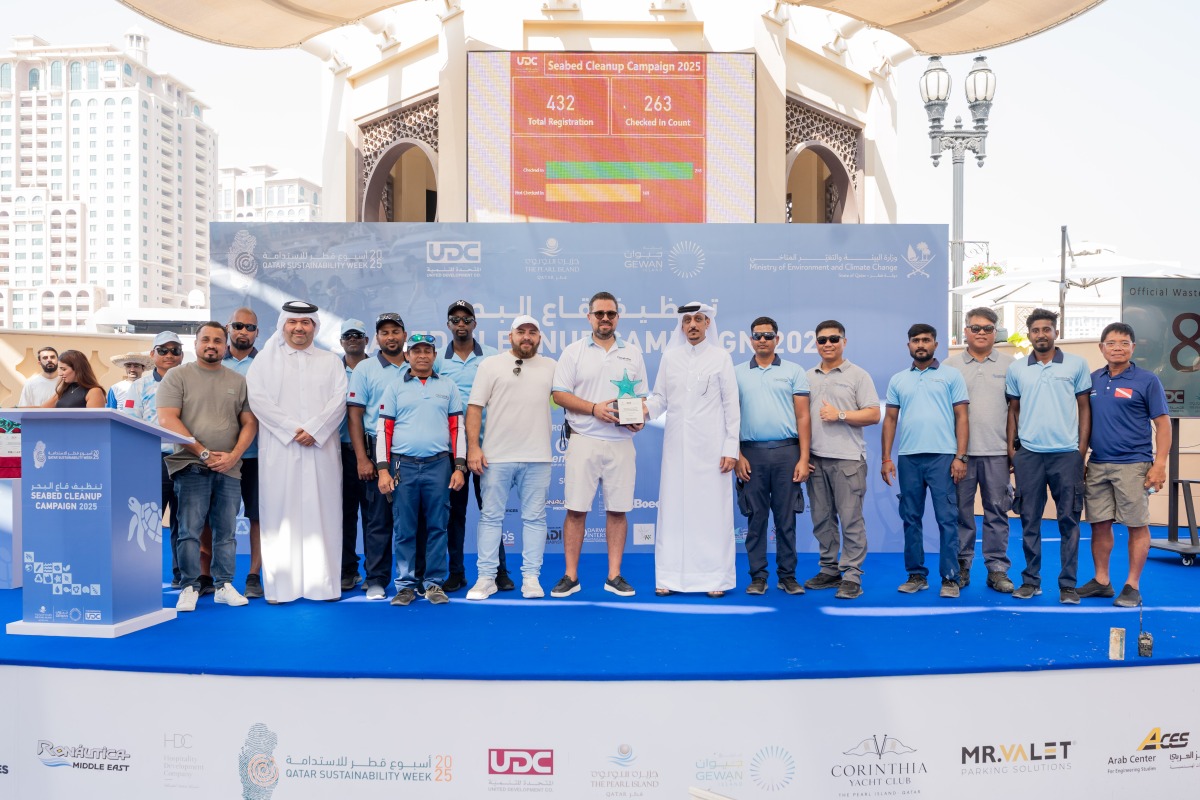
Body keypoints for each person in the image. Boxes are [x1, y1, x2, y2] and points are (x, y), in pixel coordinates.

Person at [246, 301, 349, 603]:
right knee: (280, 514)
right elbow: (258, 400)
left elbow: (339, 400)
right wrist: (293, 429)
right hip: (281, 450)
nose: (299, 328)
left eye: (305, 323)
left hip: (321, 450)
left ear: (315, 327)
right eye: (293, 322)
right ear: (283, 325)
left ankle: (322, 585)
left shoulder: (331, 361)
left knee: (323, 513)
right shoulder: (264, 362)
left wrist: (315, 429)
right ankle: (282, 587)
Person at [550, 291, 648, 598]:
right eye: (599, 313)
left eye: (611, 313)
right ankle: (571, 576)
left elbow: (642, 398)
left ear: (617, 317)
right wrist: (594, 409)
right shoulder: (574, 352)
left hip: (621, 442)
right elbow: (559, 395)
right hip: (584, 440)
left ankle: (614, 576)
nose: (605, 318)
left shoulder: (633, 353)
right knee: (576, 510)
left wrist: (639, 418)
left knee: (618, 511)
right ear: (589, 317)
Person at [157, 322, 258, 612]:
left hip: (229, 468)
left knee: (226, 532)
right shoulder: (177, 376)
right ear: (196, 344)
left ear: (225, 346)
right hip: (190, 466)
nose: (211, 345)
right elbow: (167, 419)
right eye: (206, 340)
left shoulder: (238, 381)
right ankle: (189, 586)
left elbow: (249, 422)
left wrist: (234, 456)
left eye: (217, 340)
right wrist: (202, 452)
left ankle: (224, 585)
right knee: (189, 530)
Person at [645, 302, 740, 597]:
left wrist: (731, 447)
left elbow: (731, 406)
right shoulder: (670, 357)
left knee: (712, 512)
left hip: (712, 449)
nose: (692, 325)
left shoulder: (721, 357)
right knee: (673, 510)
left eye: (698, 319)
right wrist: (639, 412)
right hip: (676, 448)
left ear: (708, 323)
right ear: (682, 325)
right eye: (687, 320)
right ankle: (669, 577)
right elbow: (659, 399)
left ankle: (714, 578)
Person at [1078, 322, 1171, 607]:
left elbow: (1163, 424)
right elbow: (1084, 422)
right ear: (1101, 347)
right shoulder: (1092, 380)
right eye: (1111, 343)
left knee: (1136, 525)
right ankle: (1101, 581)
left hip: (1134, 465)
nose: (1117, 348)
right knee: (1099, 525)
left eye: (1123, 343)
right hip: (1097, 464)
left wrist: (1159, 464)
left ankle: (1132, 586)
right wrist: (1081, 460)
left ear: (1133, 347)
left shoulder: (1147, 380)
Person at [465, 315, 557, 601]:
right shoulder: (490, 365)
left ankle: (531, 578)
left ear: (539, 337)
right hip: (496, 457)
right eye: (521, 332)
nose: (526, 336)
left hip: (538, 457)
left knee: (535, 519)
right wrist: (473, 448)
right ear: (510, 336)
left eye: (532, 332)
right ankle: (486, 578)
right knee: (491, 518)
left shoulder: (552, 367)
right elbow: (475, 408)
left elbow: (569, 400)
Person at [1006, 308, 1091, 604]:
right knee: (1029, 520)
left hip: (1066, 455)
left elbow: (1084, 408)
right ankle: (1031, 580)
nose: (1041, 334)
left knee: (1069, 520)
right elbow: (1013, 411)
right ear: (1029, 334)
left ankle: (1068, 585)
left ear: (1056, 331)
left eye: (1046, 329)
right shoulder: (1018, 369)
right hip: (1029, 456)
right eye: (1035, 330)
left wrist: (1080, 452)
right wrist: (1012, 451)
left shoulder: (1077, 364)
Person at [376, 333, 466, 606]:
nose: (423, 355)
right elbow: (384, 429)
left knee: (438, 526)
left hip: (439, 465)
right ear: (408, 356)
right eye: (417, 351)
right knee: (404, 528)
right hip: (402, 465)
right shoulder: (395, 387)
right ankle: (405, 585)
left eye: (428, 351)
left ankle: (433, 583)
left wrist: (459, 466)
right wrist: (383, 469)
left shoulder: (448, 386)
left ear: (435, 356)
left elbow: (457, 428)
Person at [881, 324, 969, 599]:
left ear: (935, 344)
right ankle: (916, 575)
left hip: (943, 457)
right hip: (908, 458)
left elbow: (962, 417)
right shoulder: (898, 380)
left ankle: (950, 578)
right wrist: (886, 458)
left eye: (926, 340)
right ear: (909, 345)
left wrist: (960, 457)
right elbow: (890, 419)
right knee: (910, 519)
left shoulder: (951, 376)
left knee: (947, 520)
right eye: (916, 340)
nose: (921, 344)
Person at [438, 299, 512, 593]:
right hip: (451, 451)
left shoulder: (493, 357)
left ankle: (499, 572)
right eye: (455, 319)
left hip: (487, 448)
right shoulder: (438, 360)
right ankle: (456, 572)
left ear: (474, 324)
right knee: (454, 515)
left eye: (466, 319)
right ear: (448, 325)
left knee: (491, 513)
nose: (461, 324)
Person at [734, 315, 811, 595]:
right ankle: (758, 576)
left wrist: (804, 458)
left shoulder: (794, 371)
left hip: (787, 453)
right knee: (755, 518)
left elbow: (803, 417)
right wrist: (737, 454)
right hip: (750, 454)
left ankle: (787, 576)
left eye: (768, 335)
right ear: (750, 340)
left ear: (777, 339)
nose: (763, 340)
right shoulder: (736, 373)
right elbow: (729, 418)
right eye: (757, 335)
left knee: (786, 519)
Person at [804, 320, 881, 600]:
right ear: (816, 344)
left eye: (834, 339)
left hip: (848, 460)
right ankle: (829, 569)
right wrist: (803, 455)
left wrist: (840, 415)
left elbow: (874, 414)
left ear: (844, 342)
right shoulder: (807, 376)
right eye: (822, 340)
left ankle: (851, 575)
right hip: (815, 460)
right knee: (821, 520)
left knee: (851, 521)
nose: (828, 344)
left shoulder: (858, 375)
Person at [944, 308, 1015, 593]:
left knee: (997, 511)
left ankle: (997, 569)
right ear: (965, 332)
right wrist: (955, 454)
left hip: (997, 452)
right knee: (961, 513)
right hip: (960, 455)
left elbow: (1016, 411)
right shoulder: (950, 366)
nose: (982, 333)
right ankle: (961, 566)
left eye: (988, 328)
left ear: (996, 332)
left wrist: (1013, 450)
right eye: (975, 328)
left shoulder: (1011, 366)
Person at [346, 312, 408, 600]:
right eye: (385, 332)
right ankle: (376, 579)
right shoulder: (366, 368)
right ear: (377, 338)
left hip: (411, 452)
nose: (390, 337)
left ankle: (414, 577)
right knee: (378, 520)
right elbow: (355, 416)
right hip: (377, 451)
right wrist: (362, 459)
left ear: (404, 335)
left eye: (395, 331)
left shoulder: (417, 363)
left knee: (413, 520)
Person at [126, 331, 186, 588]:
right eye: (163, 350)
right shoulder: (138, 386)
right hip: (154, 459)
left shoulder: (190, 381)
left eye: (175, 350)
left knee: (183, 523)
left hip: (186, 458)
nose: (169, 355)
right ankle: (141, 578)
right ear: (152, 354)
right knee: (147, 520)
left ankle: (182, 576)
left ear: (181, 354)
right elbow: (131, 422)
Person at [223, 308, 264, 598]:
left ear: (257, 333)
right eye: (238, 325)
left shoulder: (266, 364)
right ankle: (215, 577)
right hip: (220, 455)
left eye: (250, 327)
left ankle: (254, 576)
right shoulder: (211, 361)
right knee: (217, 518)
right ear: (229, 327)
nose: (243, 331)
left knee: (258, 517)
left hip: (258, 455)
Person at [337, 318, 370, 591]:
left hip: (371, 452)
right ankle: (347, 569)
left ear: (366, 340)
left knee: (374, 517)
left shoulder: (377, 368)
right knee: (344, 515)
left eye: (358, 335)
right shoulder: (331, 370)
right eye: (348, 335)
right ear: (341, 341)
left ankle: (375, 571)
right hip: (337, 453)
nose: (352, 339)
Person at [41, 350, 105, 408]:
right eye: (59, 369)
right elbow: (42, 409)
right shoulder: (64, 389)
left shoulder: (94, 392)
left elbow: (94, 417)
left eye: (64, 369)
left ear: (77, 369)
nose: (60, 374)